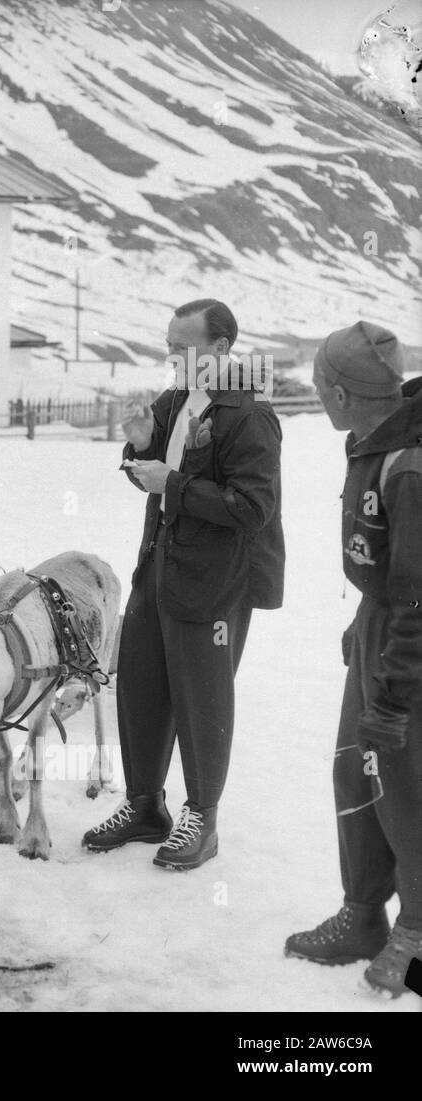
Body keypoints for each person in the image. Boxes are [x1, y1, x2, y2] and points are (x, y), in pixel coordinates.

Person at [82, 299, 284, 870]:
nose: (171, 356)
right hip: (157, 568)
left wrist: (171, 483)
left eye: (182, 346)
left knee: (202, 700)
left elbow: (253, 508)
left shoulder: (249, 415)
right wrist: (142, 444)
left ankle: (203, 818)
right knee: (140, 687)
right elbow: (151, 478)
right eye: (169, 344)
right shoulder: (175, 400)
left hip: (215, 581)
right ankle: (146, 805)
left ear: (220, 348)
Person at [285, 321, 422, 998]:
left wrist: (394, 692)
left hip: (410, 642)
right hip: (381, 623)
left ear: (339, 392)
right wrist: (362, 620)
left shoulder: (409, 466)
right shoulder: (373, 442)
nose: (315, 395)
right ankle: (364, 912)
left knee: (408, 790)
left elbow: (419, 592)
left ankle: (417, 931)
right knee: (356, 771)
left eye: (318, 384)